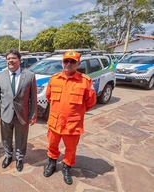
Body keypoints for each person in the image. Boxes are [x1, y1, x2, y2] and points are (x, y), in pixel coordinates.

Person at [44, 51, 96, 185]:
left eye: (72, 61)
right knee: (52, 145)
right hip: (55, 121)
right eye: (66, 61)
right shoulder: (54, 79)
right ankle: (52, 164)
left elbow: (90, 102)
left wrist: (76, 113)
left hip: (73, 124)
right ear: (62, 62)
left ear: (78, 64)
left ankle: (66, 167)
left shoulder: (85, 81)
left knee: (71, 149)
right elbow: (49, 97)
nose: (69, 64)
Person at [0, 49, 37, 172]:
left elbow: (33, 98)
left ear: (19, 60)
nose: (10, 61)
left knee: (21, 138)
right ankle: (8, 155)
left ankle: (19, 158)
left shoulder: (29, 75)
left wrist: (33, 114)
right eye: (8, 59)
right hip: (6, 114)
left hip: (22, 114)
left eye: (13, 58)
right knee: (6, 138)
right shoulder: (1, 75)